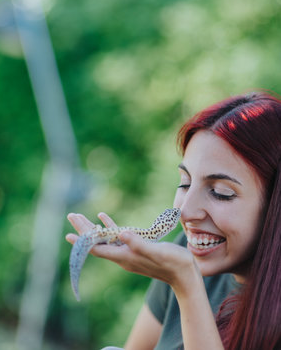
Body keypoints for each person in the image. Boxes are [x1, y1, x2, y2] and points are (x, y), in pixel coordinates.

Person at [66, 91, 281, 350]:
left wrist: (186, 284)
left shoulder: (183, 268)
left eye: (221, 193)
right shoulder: (184, 253)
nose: (186, 211)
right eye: (185, 183)